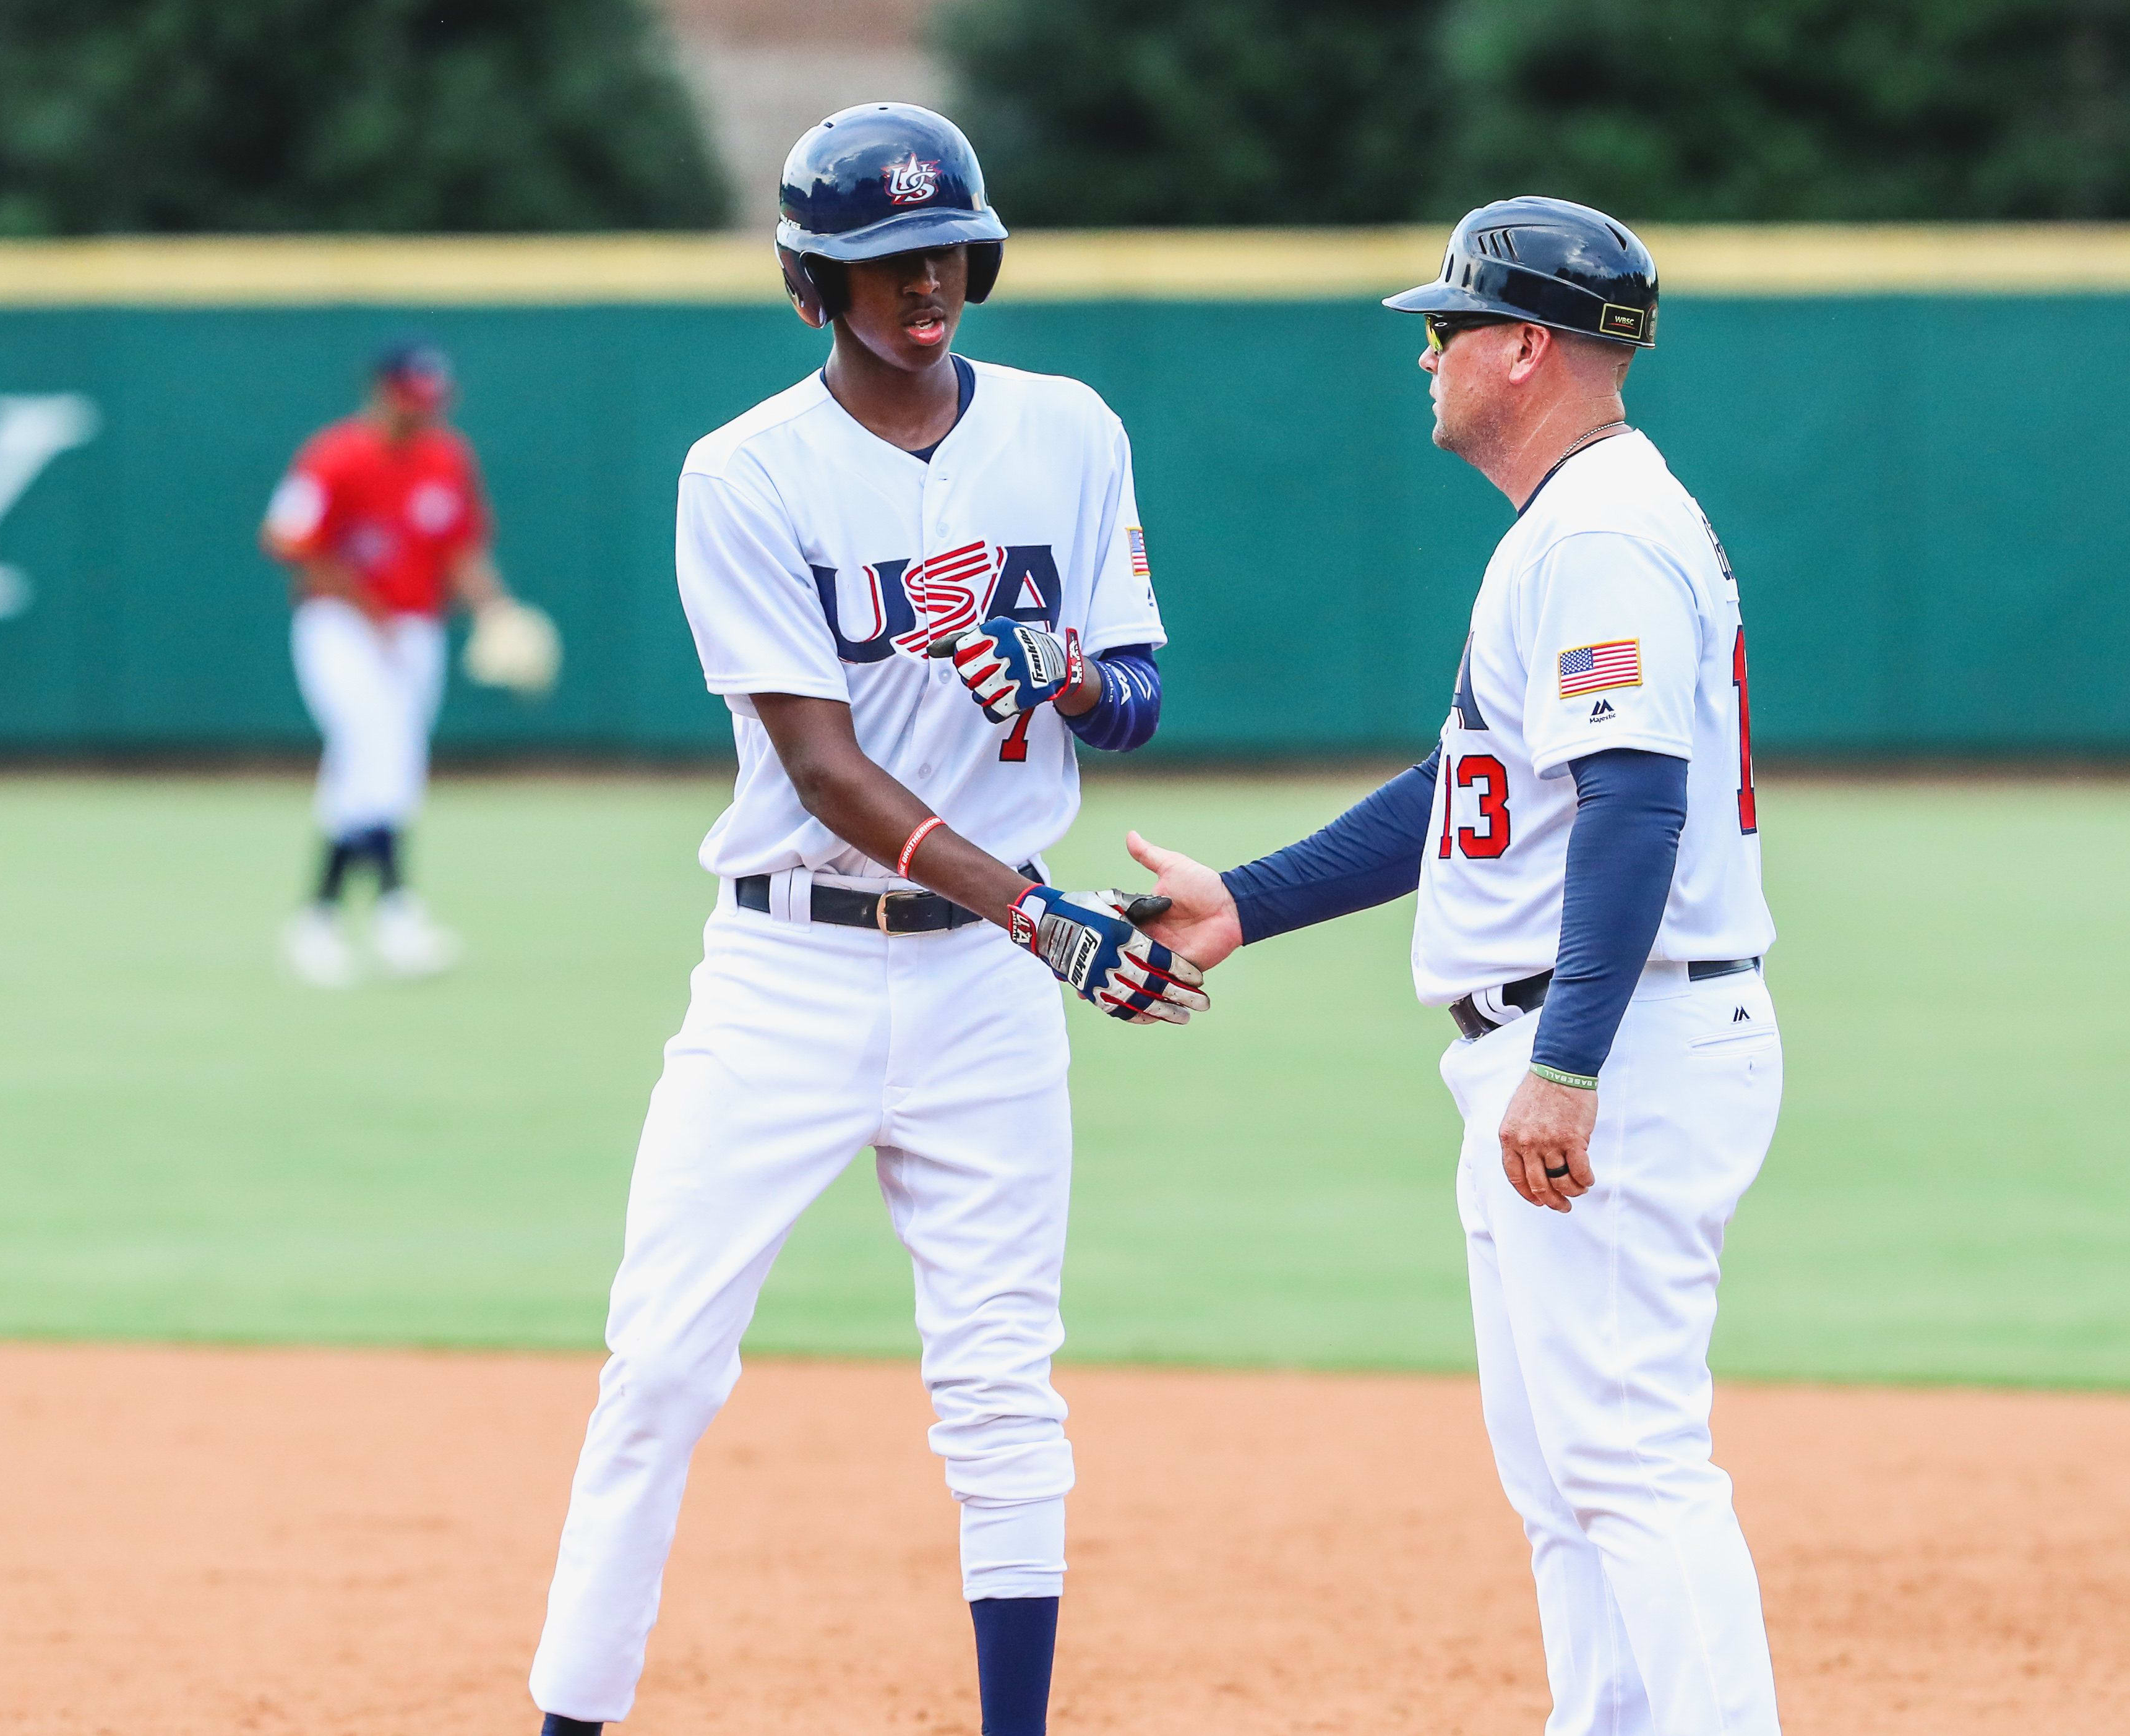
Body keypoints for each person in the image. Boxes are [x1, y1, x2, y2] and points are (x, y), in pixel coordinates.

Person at [525, 104, 1203, 1736]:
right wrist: (1045, 913)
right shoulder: (744, 473)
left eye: (945, 251)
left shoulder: (1069, 430)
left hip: (981, 987)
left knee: (996, 1385)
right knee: (660, 1370)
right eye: (881, 262)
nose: (924, 284)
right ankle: (566, 1722)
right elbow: (822, 771)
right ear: (807, 281)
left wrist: (1066, 675)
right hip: (784, 967)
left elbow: (1137, 700)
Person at [1123, 199, 1786, 1735]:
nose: (1422, 352)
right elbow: (1472, 793)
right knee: (1562, 1473)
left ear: (1522, 349)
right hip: (1597, 1031)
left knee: (1623, 1456)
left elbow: (1631, 804)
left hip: (1622, 1041)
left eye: (1446, 325)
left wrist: (1565, 1060)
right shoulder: (1567, 525)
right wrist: (1248, 898)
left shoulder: (1601, 532)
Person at [261, 340, 554, 986]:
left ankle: (323, 920)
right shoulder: (334, 455)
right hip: (339, 626)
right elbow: (290, 540)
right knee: (376, 754)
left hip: (415, 631)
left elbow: (462, 550)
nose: (421, 414)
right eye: (410, 401)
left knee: (379, 768)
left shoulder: (446, 458)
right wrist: (370, 616)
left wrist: (496, 611)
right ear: (381, 393)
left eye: (430, 403)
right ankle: (394, 912)